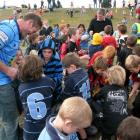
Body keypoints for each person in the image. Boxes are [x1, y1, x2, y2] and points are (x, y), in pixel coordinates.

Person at [0, 13, 42, 140]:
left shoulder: (17, 32)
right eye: (32, 31)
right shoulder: (8, 30)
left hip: (8, 79)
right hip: (2, 82)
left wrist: (17, 58)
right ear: (29, 23)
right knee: (10, 120)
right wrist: (8, 70)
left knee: (13, 115)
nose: (30, 35)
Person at [18, 55, 56, 140]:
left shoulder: (22, 87)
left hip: (31, 129)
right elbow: (54, 98)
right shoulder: (49, 81)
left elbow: (23, 107)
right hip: (48, 126)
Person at [94, 65, 129, 140]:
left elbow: (95, 97)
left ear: (110, 78)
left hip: (108, 124)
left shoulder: (104, 89)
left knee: (106, 135)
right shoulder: (125, 90)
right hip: (122, 124)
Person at [38, 38, 63, 103]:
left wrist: (47, 80)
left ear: (53, 52)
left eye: (49, 52)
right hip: (42, 90)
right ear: (41, 51)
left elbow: (59, 78)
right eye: (44, 52)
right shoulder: (38, 60)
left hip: (55, 91)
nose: (46, 54)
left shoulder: (57, 61)